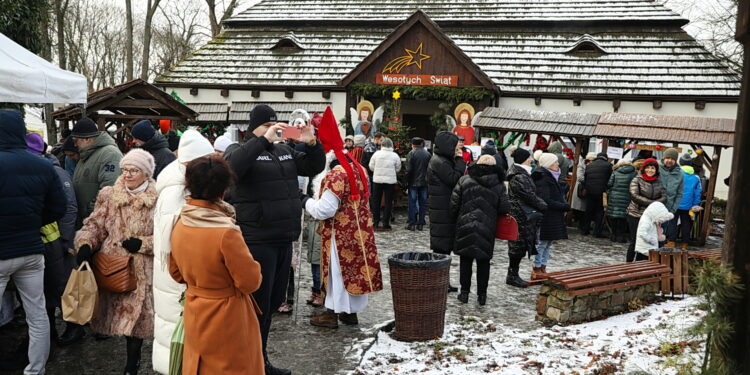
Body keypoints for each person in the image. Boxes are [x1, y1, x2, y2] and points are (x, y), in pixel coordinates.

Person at [224, 104, 325, 375]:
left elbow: (314, 166)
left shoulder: (284, 151)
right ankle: (248, 363)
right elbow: (232, 168)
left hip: (283, 238)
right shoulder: (240, 150)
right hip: (257, 238)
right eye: (266, 125)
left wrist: (312, 143)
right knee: (256, 305)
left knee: (272, 303)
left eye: (275, 125)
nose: (273, 129)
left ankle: (259, 360)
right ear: (253, 128)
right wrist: (261, 141)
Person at [169, 155, 264, 375]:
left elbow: (175, 272)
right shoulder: (226, 232)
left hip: (194, 308)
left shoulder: (180, 221)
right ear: (223, 190)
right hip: (228, 315)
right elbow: (250, 282)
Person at [73, 149, 157, 374]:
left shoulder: (158, 198)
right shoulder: (109, 195)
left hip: (142, 269)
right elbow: (95, 224)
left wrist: (143, 244)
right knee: (115, 314)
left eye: (134, 170)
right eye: (125, 170)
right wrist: (85, 244)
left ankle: (132, 363)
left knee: (137, 320)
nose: (127, 175)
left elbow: (169, 236)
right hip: (113, 265)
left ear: (146, 174)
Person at [0, 110, 66, 375]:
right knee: (37, 314)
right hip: (31, 250)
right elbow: (58, 208)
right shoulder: (42, 165)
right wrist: (32, 222)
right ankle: (35, 370)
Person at [303, 107, 383, 328]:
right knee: (354, 271)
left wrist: (303, 200)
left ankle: (332, 313)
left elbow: (324, 210)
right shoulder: (357, 168)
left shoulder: (336, 173)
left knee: (338, 273)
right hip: (360, 233)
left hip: (340, 235)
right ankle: (350, 313)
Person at [151, 130, 215, 374]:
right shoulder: (176, 192)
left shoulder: (181, 184)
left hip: (176, 275)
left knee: (177, 335)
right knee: (176, 335)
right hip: (178, 278)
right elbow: (173, 243)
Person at [63, 117, 124, 345]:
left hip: (100, 230)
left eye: (77, 139)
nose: (75, 143)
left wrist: (93, 221)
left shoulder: (109, 155)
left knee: (99, 276)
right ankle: (86, 321)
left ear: (88, 139)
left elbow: (109, 193)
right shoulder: (86, 158)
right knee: (86, 275)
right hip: (86, 228)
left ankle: (102, 323)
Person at [25, 133, 79, 343]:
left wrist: (66, 239)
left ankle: (75, 327)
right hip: (46, 241)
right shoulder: (38, 171)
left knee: (62, 286)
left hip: (57, 241)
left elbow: (69, 207)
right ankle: (50, 332)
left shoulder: (55, 172)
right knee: (47, 288)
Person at [450, 155, 510, 305]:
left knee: (465, 260)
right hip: (487, 227)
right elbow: (504, 208)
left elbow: (453, 204)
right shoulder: (499, 185)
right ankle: (481, 296)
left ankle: (464, 293)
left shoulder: (464, 180)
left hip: (466, 225)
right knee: (484, 262)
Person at [427, 131, 467, 292]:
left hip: (442, 207)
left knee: (443, 247)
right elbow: (453, 179)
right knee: (442, 248)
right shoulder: (440, 162)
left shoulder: (440, 159)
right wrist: (459, 160)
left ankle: (442, 281)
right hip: (442, 209)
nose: (457, 147)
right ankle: (439, 282)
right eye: (454, 144)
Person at [506, 148, 547, 288]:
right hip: (520, 215)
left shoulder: (522, 174)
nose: (530, 160)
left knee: (521, 246)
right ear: (523, 159)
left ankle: (513, 274)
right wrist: (543, 205)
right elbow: (529, 195)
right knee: (517, 246)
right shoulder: (519, 176)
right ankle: (512, 275)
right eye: (528, 158)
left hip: (523, 215)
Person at [531, 153, 569, 279]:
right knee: (542, 243)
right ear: (548, 164)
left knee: (548, 242)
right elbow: (545, 199)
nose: (558, 164)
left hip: (552, 214)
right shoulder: (543, 178)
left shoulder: (551, 176)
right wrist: (562, 206)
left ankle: (543, 266)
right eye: (555, 162)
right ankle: (536, 268)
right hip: (546, 215)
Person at [626, 158, 667, 261]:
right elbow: (634, 195)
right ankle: (628, 265)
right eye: (648, 167)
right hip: (636, 214)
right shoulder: (637, 180)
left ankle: (640, 265)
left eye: (652, 168)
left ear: (656, 170)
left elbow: (664, 197)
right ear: (643, 168)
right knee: (635, 240)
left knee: (646, 243)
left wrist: (654, 206)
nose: (650, 170)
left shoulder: (659, 182)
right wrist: (653, 204)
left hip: (651, 217)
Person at [369, 137, 402, 231]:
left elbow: (371, 166)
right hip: (390, 181)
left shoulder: (376, 154)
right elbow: (398, 168)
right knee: (388, 202)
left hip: (377, 180)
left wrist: (377, 171)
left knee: (376, 201)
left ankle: (375, 221)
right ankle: (386, 223)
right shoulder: (395, 155)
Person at [581, 153, 612, 237]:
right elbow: (610, 180)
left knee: (588, 211)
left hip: (590, 191)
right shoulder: (608, 165)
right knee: (599, 211)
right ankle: (596, 232)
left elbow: (585, 179)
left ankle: (585, 230)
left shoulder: (589, 165)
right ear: (606, 158)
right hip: (601, 192)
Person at [606, 159, 637, 243]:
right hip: (627, 197)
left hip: (614, 197)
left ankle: (613, 235)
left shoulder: (615, 172)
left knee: (614, 216)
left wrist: (611, 192)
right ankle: (620, 236)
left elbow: (609, 184)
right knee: (623, 218)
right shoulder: (634, 173)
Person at [659, 148, 684, 248]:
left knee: (662, 234)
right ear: (664, 158)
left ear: (675, 160)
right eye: (667, 158)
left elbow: (679, 193)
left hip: (667, 209)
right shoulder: (656, 169)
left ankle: (658, 255)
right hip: (654, 207)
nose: (669, 160)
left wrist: (673, 209)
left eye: (672, 159)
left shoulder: (680, 174)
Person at [405, 137, 430, 231]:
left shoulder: (411, 153)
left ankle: (411, 224)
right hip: (424, 182)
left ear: (413, 145)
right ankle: (420, 223)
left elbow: (409, 170)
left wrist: (406, 182)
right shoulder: (427, 154)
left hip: (413, 183)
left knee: (412, 203)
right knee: (423, 203)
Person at [676, 162, 703, 250]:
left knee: (672, 223)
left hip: (675, 204)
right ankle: (685, 244)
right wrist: (695, 204)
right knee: (686, 224)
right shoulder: (696, 177)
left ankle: (671, 241)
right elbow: (697, 192)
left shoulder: (676, 173)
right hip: (688, 206)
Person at [571, 153, 596, 225]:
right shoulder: (581, 165)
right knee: (580, 208)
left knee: (584, 208)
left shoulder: (590, 166)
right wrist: (591, 180)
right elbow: (580, 177)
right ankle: (580, 224)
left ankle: (582, 224)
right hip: (581, 189)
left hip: (586, 188)